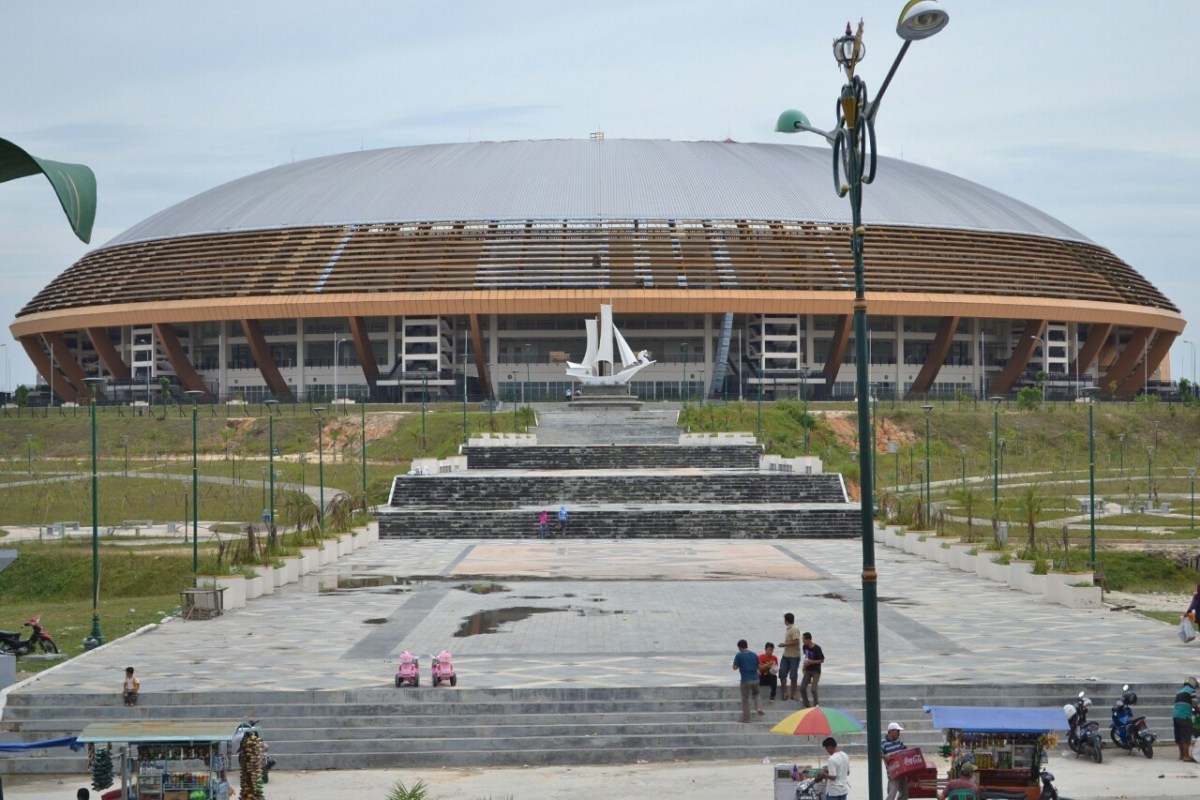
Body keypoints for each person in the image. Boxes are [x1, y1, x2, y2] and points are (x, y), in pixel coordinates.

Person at [732, 639, 764, 723]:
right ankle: (759, 708)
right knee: (756, 694)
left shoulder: (739, 655)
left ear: (739, 647)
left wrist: (738, 665)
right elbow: (760, 667)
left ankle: (746, 719)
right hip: (756, 679)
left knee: (745, 699)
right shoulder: (754, 654)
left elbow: (734, 667)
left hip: (746, 680)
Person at [1172, 676, 1199, 762]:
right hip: (1184, 716)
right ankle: (1186, 756)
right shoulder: (1191, 691)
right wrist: (1197, 711)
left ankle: (1181, 755)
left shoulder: (1179, 691)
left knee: (1179, 736)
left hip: (1176, 716)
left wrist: (1192, 711)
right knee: (1186, 736)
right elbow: (1194, 705)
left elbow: (1183, 704)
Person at [881, 722, 908, 800]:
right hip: (893, 773)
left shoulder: (899, 741)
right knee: (891, 794)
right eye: (897, 731)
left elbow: (906, 750)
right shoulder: (883, 743)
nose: (899, 733)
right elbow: (878, 753)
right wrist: (885, 756)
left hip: (902, 772)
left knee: (904, 794)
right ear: (891, 731)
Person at [780, 612, 801, 701]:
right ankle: (785, 693)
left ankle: (793, 694)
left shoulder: (794, 629)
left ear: (786, 620)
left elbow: (796, 641)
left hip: (794, 656)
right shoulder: (788, 629)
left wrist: (784, 644)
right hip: (786, 655)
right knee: (782, 673)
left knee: (793, 675)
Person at [800, 632, 825, 708]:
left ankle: (816, 704)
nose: (803, 641)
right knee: (802, 688)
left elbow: (822, 660)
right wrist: (804, 666)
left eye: (803, 639)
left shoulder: (817, 648)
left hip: (816, 670)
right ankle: (807, 705)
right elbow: (806, 656)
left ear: (808, 640)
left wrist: (812, 662)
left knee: (813, 689)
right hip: (808, 669)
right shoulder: (805, 647)